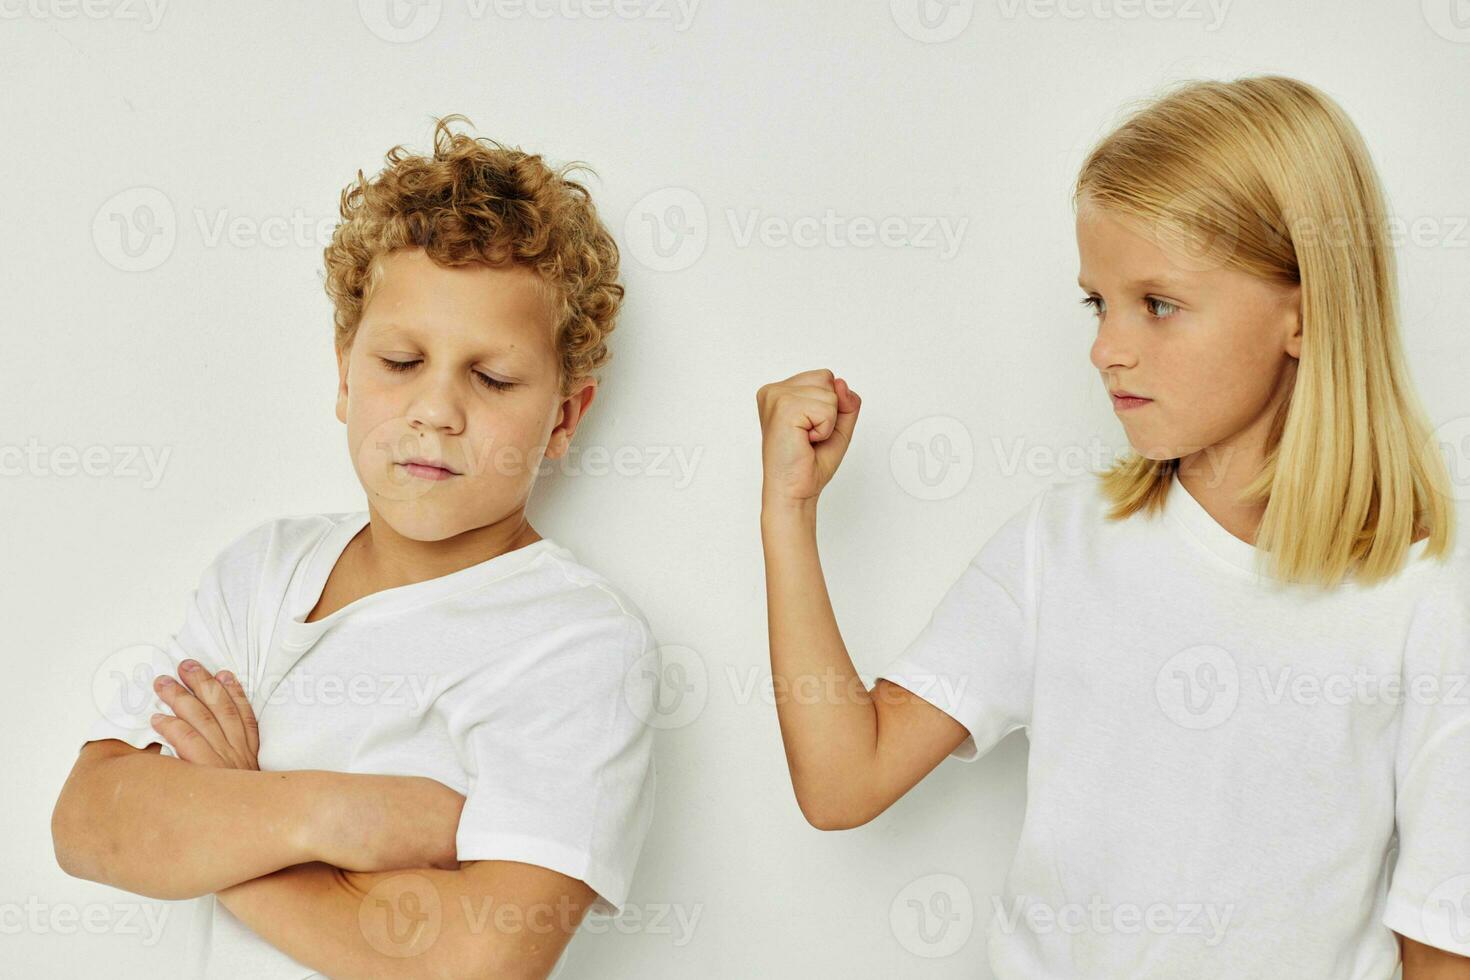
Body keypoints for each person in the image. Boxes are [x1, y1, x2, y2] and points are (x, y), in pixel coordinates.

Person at [756, 75, 1469, 978]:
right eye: (1099, 303)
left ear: (1305, 310)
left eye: (1158, 304)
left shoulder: (1422, 601)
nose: (1107, 348)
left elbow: (1444, 945)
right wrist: (790, 513)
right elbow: (841, 780)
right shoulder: (1064, 545)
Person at [52, 114, 659, 979]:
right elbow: (90, 822)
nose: (436, 411)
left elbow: (475, 961)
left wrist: (223, 819)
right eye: (402, 361)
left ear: (563, 417)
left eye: (490, 378)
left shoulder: (576, 643)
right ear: (344, 373)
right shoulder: (262, 574)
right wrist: (337, 816)